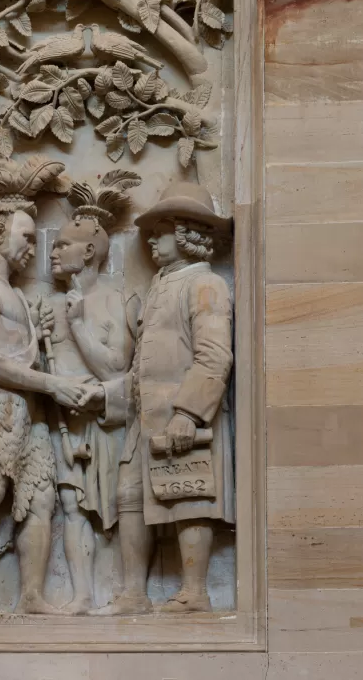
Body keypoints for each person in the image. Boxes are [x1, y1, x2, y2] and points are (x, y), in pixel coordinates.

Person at [0, 155, 96, 613]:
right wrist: (53, 384)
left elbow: (17, 348)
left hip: (23, 405)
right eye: (26, 236)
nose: (33, 246)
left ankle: (31, 595)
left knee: (41, 499)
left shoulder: (13, 292)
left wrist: (36, 326)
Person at [96, 181, 234, 615]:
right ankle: (133, 593)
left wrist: (189, 413)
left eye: (161, 229)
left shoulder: (205, 284)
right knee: (130, 497)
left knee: (190, 494)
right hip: (145, 417)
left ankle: (195, 592)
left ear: (188, 232)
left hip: (183, 416)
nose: (152, 238)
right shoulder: (160, 286)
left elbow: (214, 355)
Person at [41, 170, 140, 613]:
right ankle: (82, 593)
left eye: (62, 244)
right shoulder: (46, 305)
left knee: (120, 505)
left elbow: (118, 367)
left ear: (89, 251)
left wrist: (79, 326)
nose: (53, 251)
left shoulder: (119, 300)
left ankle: (126, 590)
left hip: (107, 420)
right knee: (71, 505)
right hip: (66, 423)